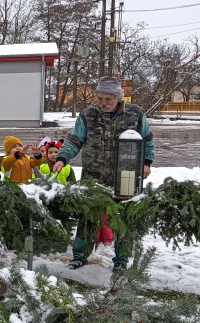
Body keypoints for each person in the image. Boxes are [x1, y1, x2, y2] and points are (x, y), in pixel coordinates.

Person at [52, 76, 155, 271]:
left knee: (124, 217)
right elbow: (75, 140)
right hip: (93, 176)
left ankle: (121, 260)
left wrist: (146, 163)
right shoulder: (88, 115)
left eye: (108, 99)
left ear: (118, 97)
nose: (103, 103)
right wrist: (62, 158)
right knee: (87, 217)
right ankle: (80, 256)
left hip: (126, 175)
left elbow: (147, 140)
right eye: (100, 98)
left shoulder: (135, 114)